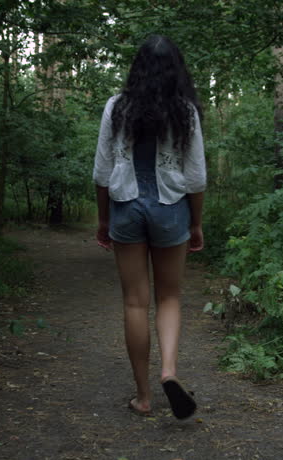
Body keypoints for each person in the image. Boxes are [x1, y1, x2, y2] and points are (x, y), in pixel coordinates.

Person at [92, 35, 206, 420]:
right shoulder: (185, 111)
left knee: (135, 302)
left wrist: (104, 220)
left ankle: (143, 397)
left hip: (126, 209)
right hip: (171, 210)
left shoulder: (116, 107)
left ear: (137, 68)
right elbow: (196, 177)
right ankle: (169, 371)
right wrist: (196, 223)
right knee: (169, 296)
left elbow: (102, 172)